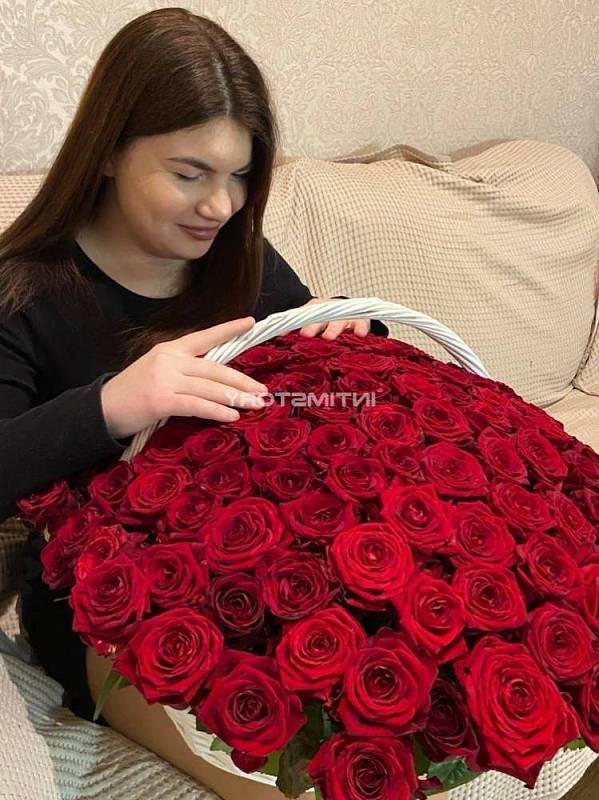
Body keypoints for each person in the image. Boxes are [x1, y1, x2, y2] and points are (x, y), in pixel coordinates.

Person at [0, 8, 388, 800]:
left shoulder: (238, 257)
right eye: (189, 174)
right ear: (109, 151)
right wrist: (110, 405)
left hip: (254, 553)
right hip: (104, 601)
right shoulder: (24, 289)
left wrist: (348, 323)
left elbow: (303, 352)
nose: (220, 205)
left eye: (240, 176)